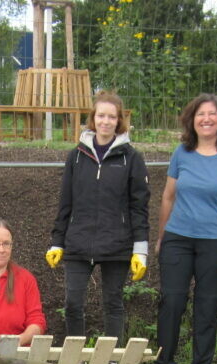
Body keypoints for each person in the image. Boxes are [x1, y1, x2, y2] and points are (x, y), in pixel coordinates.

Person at [47, 91, 149, 344]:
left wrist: (140, 250)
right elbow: (65, 202)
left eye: (111, 117)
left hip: (117, 243)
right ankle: (76, 357)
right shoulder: (77, 156)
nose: (105, 121)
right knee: (72, 303)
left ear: (119, 121)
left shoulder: (131, 158)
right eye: (101, 115)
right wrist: (57, 241)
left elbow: (139, 206)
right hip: (78, 241)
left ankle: (111, 361)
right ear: (93, 119)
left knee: (113, 304)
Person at [154, 93, 217, 364]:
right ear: (191, 121)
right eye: (200, 115)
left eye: (212, 114)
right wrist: (161, 237)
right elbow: (168, 197)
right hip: (178, 239)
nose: (206, 119)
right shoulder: (181, 153)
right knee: (172, 301)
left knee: (207, 307)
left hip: (216, 242)